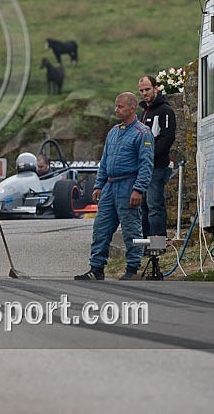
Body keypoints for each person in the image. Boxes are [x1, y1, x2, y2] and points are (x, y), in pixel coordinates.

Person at [75, 92, 153, 281]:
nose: (116, 109)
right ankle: (96, 268)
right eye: (116, 106)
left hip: (128, 185)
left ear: (132, 108)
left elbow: (146, 163)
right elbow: (105, 160)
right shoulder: (113, 132)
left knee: (132, 228)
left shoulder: (143, 133)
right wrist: (98, 185)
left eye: (120, 106)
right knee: (100, 228)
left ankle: (134, 267)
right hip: (110, 185)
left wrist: (139, 189)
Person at [137, 75, 176, 237]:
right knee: (143, 206)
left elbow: (167, 138)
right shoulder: (144, 112)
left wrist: (148, 156)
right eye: (141, 91)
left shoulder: (165, 110)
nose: (144, 93)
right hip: (143, 168)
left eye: (147, 89)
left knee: (154, 205)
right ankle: (145, 243)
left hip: (157, 167)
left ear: (156, 88)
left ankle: (157, 242)